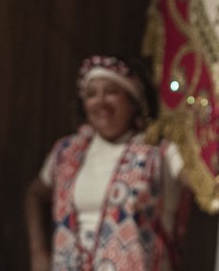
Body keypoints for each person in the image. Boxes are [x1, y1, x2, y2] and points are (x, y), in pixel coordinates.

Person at [24, 55, 189, 271]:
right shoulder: (68, 151)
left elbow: (204, 185)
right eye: (91, 94)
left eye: (111, 91)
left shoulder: (158, 151)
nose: (100, 102)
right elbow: (35, 193)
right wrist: (38, 251)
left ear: (133, 100)